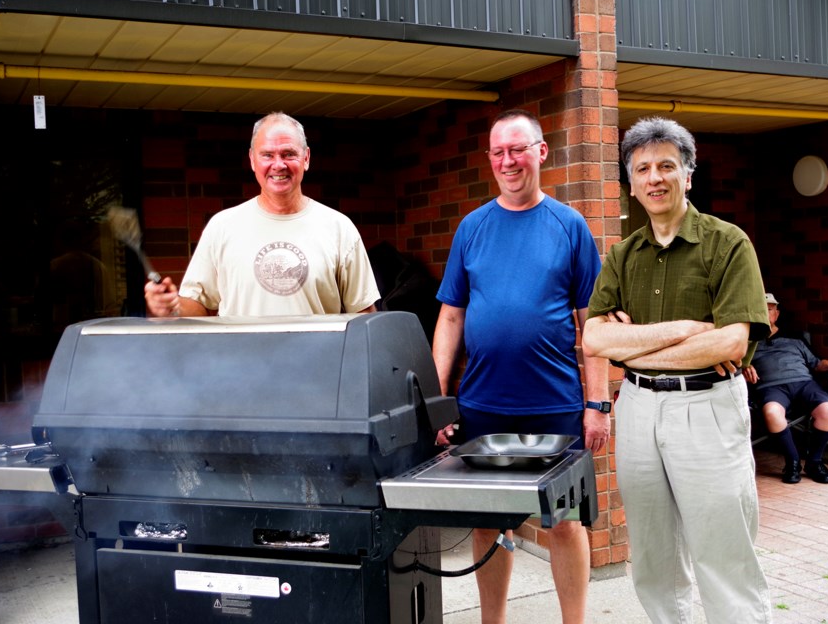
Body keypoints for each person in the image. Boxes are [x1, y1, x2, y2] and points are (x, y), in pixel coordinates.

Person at [581, 117, 773, 623]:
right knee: (652, 559)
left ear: (689, 174)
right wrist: (687, 330)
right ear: (631, 184)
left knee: (723, 553)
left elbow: (732, 340)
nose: (654, 177)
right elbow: (595, 338)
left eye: (667, 165)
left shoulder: (728, 243)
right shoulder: (623, 256)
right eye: (642, 168)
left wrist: (632, 347)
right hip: (639, 409)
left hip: (706, 407)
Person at [432, 109, 609, 624]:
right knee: (488, 524)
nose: (508, 161)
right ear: (490, 159)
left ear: (541, 152)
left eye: (518, 149)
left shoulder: (569, 226)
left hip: (556, 406)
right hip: (484, 405)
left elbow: (591, 325)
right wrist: (438, 401)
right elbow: (450, 316)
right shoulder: (472, 227)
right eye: (498, 152)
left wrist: (596, 404)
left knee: (565, 523)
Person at [144, 112, 379, 317]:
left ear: (306, 158)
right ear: (252, 160)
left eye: (288, 154)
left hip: (318, 366)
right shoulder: (223, 226)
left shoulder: (338, 227)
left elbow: (362, 314)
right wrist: (171, 308)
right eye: (267, 155)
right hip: (242, 366)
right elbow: (200, 307)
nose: (278, 165)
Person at [743, 293, 828, 484]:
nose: (766, 313)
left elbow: (816, 363)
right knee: (772, 412)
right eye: (761, 310)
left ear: (777, 313)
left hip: (804, 383)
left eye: (770, 309)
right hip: (771, 388)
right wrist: (744, 366)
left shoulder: (795, 336)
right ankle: (793, 462)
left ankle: (814, 462)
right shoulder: (747, 341)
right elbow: (732, 365)